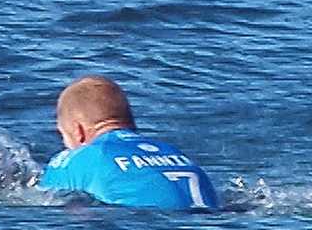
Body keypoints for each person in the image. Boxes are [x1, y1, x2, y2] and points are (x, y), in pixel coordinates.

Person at [37, 75, 220, 210]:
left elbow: (43, 200)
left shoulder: (80, 158)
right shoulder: (173, 153)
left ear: (79, 131)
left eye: (63, 134)